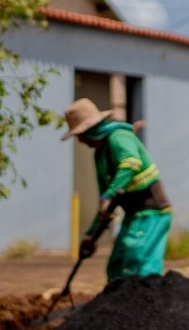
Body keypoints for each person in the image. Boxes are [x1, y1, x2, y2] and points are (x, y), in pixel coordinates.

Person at [63, 97, 172, 281]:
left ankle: (149, 304)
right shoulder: (100, 156)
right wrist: (90, 235)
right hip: (133, 216)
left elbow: (130, 163)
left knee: (137, 260)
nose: (80, 141)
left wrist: (110, 193)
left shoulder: (119, 137)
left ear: (90, 130)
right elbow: (104, 203)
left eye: (80, 135)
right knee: (117, 266)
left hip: (152, 211)